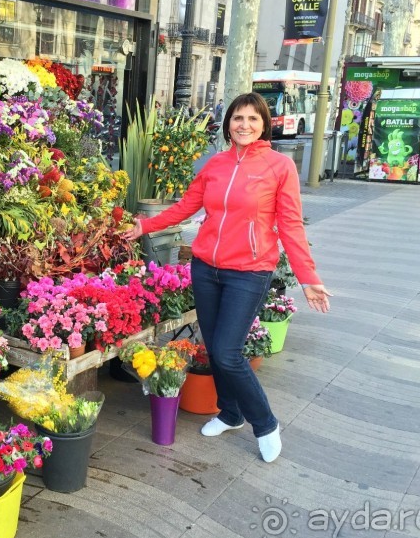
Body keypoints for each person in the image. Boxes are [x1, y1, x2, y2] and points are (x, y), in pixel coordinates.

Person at [124, 92, 331, 463]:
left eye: (253, 118)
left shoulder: (279, 167)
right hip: (207, 269)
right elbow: (188, 206)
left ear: (264, 124)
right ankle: (230, 412)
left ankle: (265, 423)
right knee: (215, 347)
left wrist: (308, 277)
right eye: (238, 118)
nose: (245, 125)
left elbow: (290, 226)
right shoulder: (215, 165)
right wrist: (145, 226)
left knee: (227, 352)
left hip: (249, 272)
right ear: (228, 123)